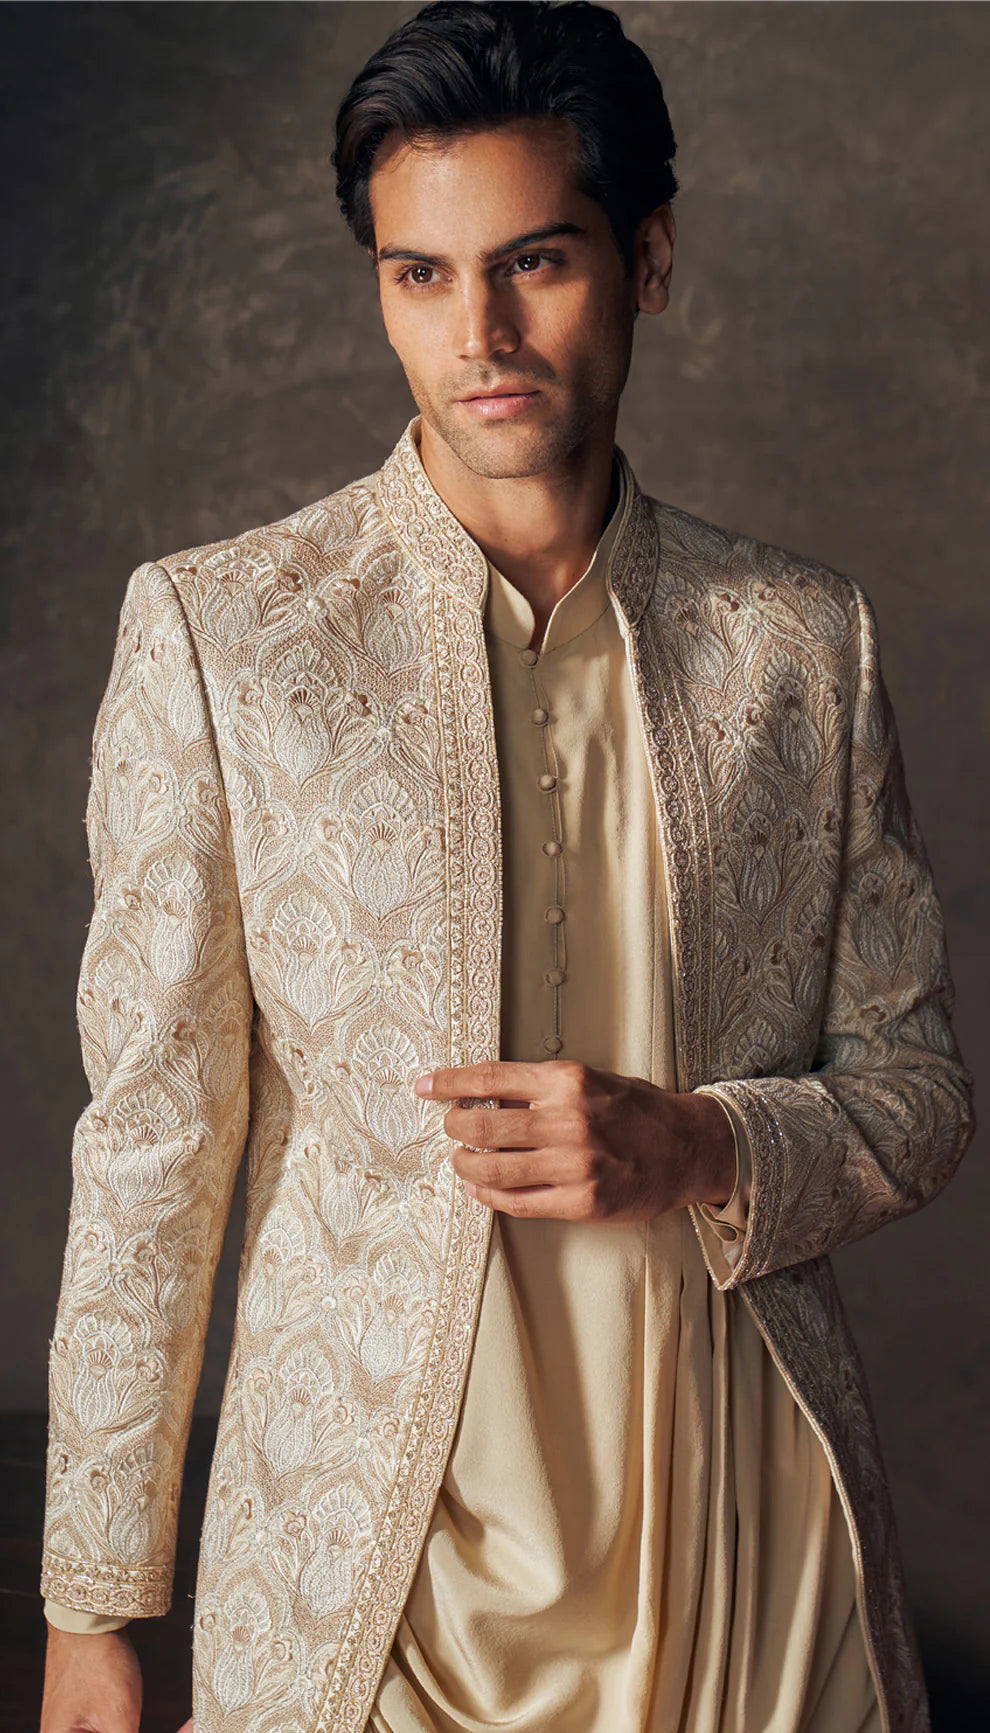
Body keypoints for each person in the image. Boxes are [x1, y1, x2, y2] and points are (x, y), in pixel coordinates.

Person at [39, 4, 974, 1732]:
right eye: (417, 275)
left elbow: (918, 1092)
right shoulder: (226, 639)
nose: (476, 332)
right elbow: (155, 1140)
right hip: (373, 1583)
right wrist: (96, 1602)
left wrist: (703, 1137)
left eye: (533, 261)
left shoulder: (795, 646)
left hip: (745, 1572)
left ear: (649, 258)